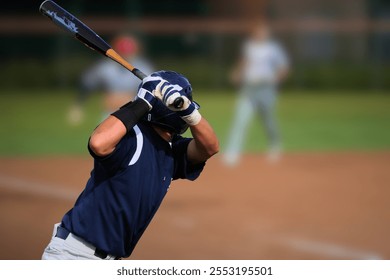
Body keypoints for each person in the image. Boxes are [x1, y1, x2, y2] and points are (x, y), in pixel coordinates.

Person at [42, 70, 219, 260]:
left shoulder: (172, 151)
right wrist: (143, 102)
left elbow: (210, 147)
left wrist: (189, 111)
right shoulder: (132, 136)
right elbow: (98, 143)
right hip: (74, 256)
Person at [223, 22, 289, 165]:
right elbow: (244, 63)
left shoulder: (273, 49)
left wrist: (274, 80)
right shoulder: (249, 47)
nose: (260, 34)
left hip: (266, 89)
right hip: (249, 89)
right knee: (241, 120)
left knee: (268, 120)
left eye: (262, 31)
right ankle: (232, 153)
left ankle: (275, 145)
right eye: (258, 31)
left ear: (267, 33)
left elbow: (283, 67)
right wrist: (237, 74)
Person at [67, 34, 154, 124]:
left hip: (136, 115)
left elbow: (153, 90)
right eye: (123, 52)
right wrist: (78, 106)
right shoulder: (106, 67)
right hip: (109, 115)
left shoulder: (143, 68)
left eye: (129, 52)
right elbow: (88, 84)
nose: (126, 56)